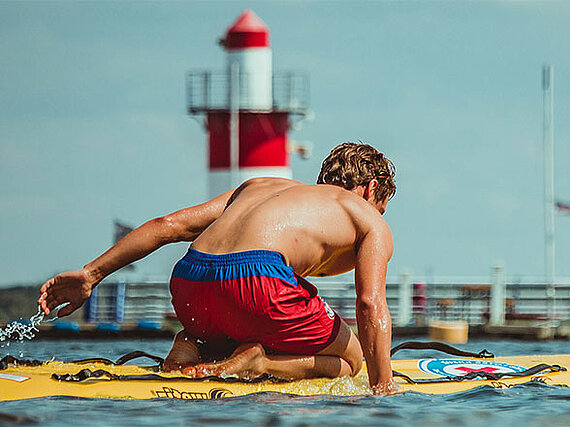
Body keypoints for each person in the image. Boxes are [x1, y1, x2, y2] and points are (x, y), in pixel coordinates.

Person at [38, 142, 397, 395]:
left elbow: (169, 225)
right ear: (371, 189)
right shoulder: (366, 217)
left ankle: (192, 346)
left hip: (190, 281)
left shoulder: (258, 185)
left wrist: (91, 275)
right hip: (258, 283)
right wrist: (383, 386)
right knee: (351, 358)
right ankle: (260, 363)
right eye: (380, 207)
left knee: (238, 320)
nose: (378, 215)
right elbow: (369, 303)